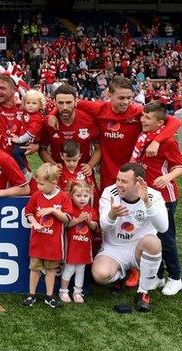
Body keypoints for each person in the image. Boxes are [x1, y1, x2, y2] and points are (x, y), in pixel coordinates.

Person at [51, 78, 180, 189]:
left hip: (133, 172)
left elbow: (174, 121)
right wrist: (53, 114)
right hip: (108, 172)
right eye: (121, 98)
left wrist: (157, 141)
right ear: (109, 94)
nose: (126, 102)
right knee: (109, 210)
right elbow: (68, 103)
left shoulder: (138, 111)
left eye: (129, 97)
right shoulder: (98, 108)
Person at [93, 163, 168, 312]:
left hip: (139, 249)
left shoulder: (153, 196)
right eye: (118, 179)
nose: (119, 184)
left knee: (153, 242)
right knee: (100, 276)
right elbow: (104, 226)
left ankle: (143, 292)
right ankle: (124, 274)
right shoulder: (110, 193)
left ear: (137, 184)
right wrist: (112, 215)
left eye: (124, 181)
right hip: (114, 249)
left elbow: (163, 228)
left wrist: (147, 202)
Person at [130, 101, 182, 295]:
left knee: (165, 237)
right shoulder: (144, 136)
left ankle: (176, 277)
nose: (142, 119)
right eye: (142, 115)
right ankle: (158, 276)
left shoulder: (167, 141)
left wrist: (167, 176)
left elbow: (179, 166)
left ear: (160, 123)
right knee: (149, 236)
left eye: (148, 118)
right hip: (145, 195)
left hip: (164, 196)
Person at [23, 163, 72, 308]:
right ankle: (31, 294)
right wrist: (35, 223)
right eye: (37, 183)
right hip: (38, 242)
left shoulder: (63, 198)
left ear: (54, 183)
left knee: (51, 269)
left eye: (41, 184)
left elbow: (68, 218)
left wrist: (53, 210)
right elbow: (28, 212)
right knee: (35, 268)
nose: (38, 187)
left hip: (54, 243)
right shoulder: (36, 196)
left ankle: (49, 296)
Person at [40, 84, 101, 177]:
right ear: (54, 102)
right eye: (60, 103)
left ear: (75, 101)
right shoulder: (48, 122)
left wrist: (90, 165)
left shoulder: (89, 120)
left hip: (83, 174)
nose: (65, 107)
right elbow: (42, 150)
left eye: (68, 102)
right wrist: (53, 165)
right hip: (58, 174)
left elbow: (99, 149)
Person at [59, 180, 99, 304]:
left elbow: (95, 227)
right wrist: (77, 220)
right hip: (72, 247)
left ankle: (77, 291)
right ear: (71, 195)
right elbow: (65, 225)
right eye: (78, 196)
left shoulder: (91, 210)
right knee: (69, 269)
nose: (82, 199)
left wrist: (89, 222)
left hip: (84, 247)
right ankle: (63, 291)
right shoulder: (69, 209)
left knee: (81, 269)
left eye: (85, 196)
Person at [10, 89, 46, 177]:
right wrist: (19, 88)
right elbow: (24, 98)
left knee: (15, 153)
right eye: (28, 103)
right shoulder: (27, 111)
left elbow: (30, 134)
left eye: (34, 103)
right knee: (17, 154)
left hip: (29, 141)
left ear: (40, 105)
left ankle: (25, 171)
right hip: (24, 138)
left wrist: (19, 140)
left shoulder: (37, 118)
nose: (30, 106)